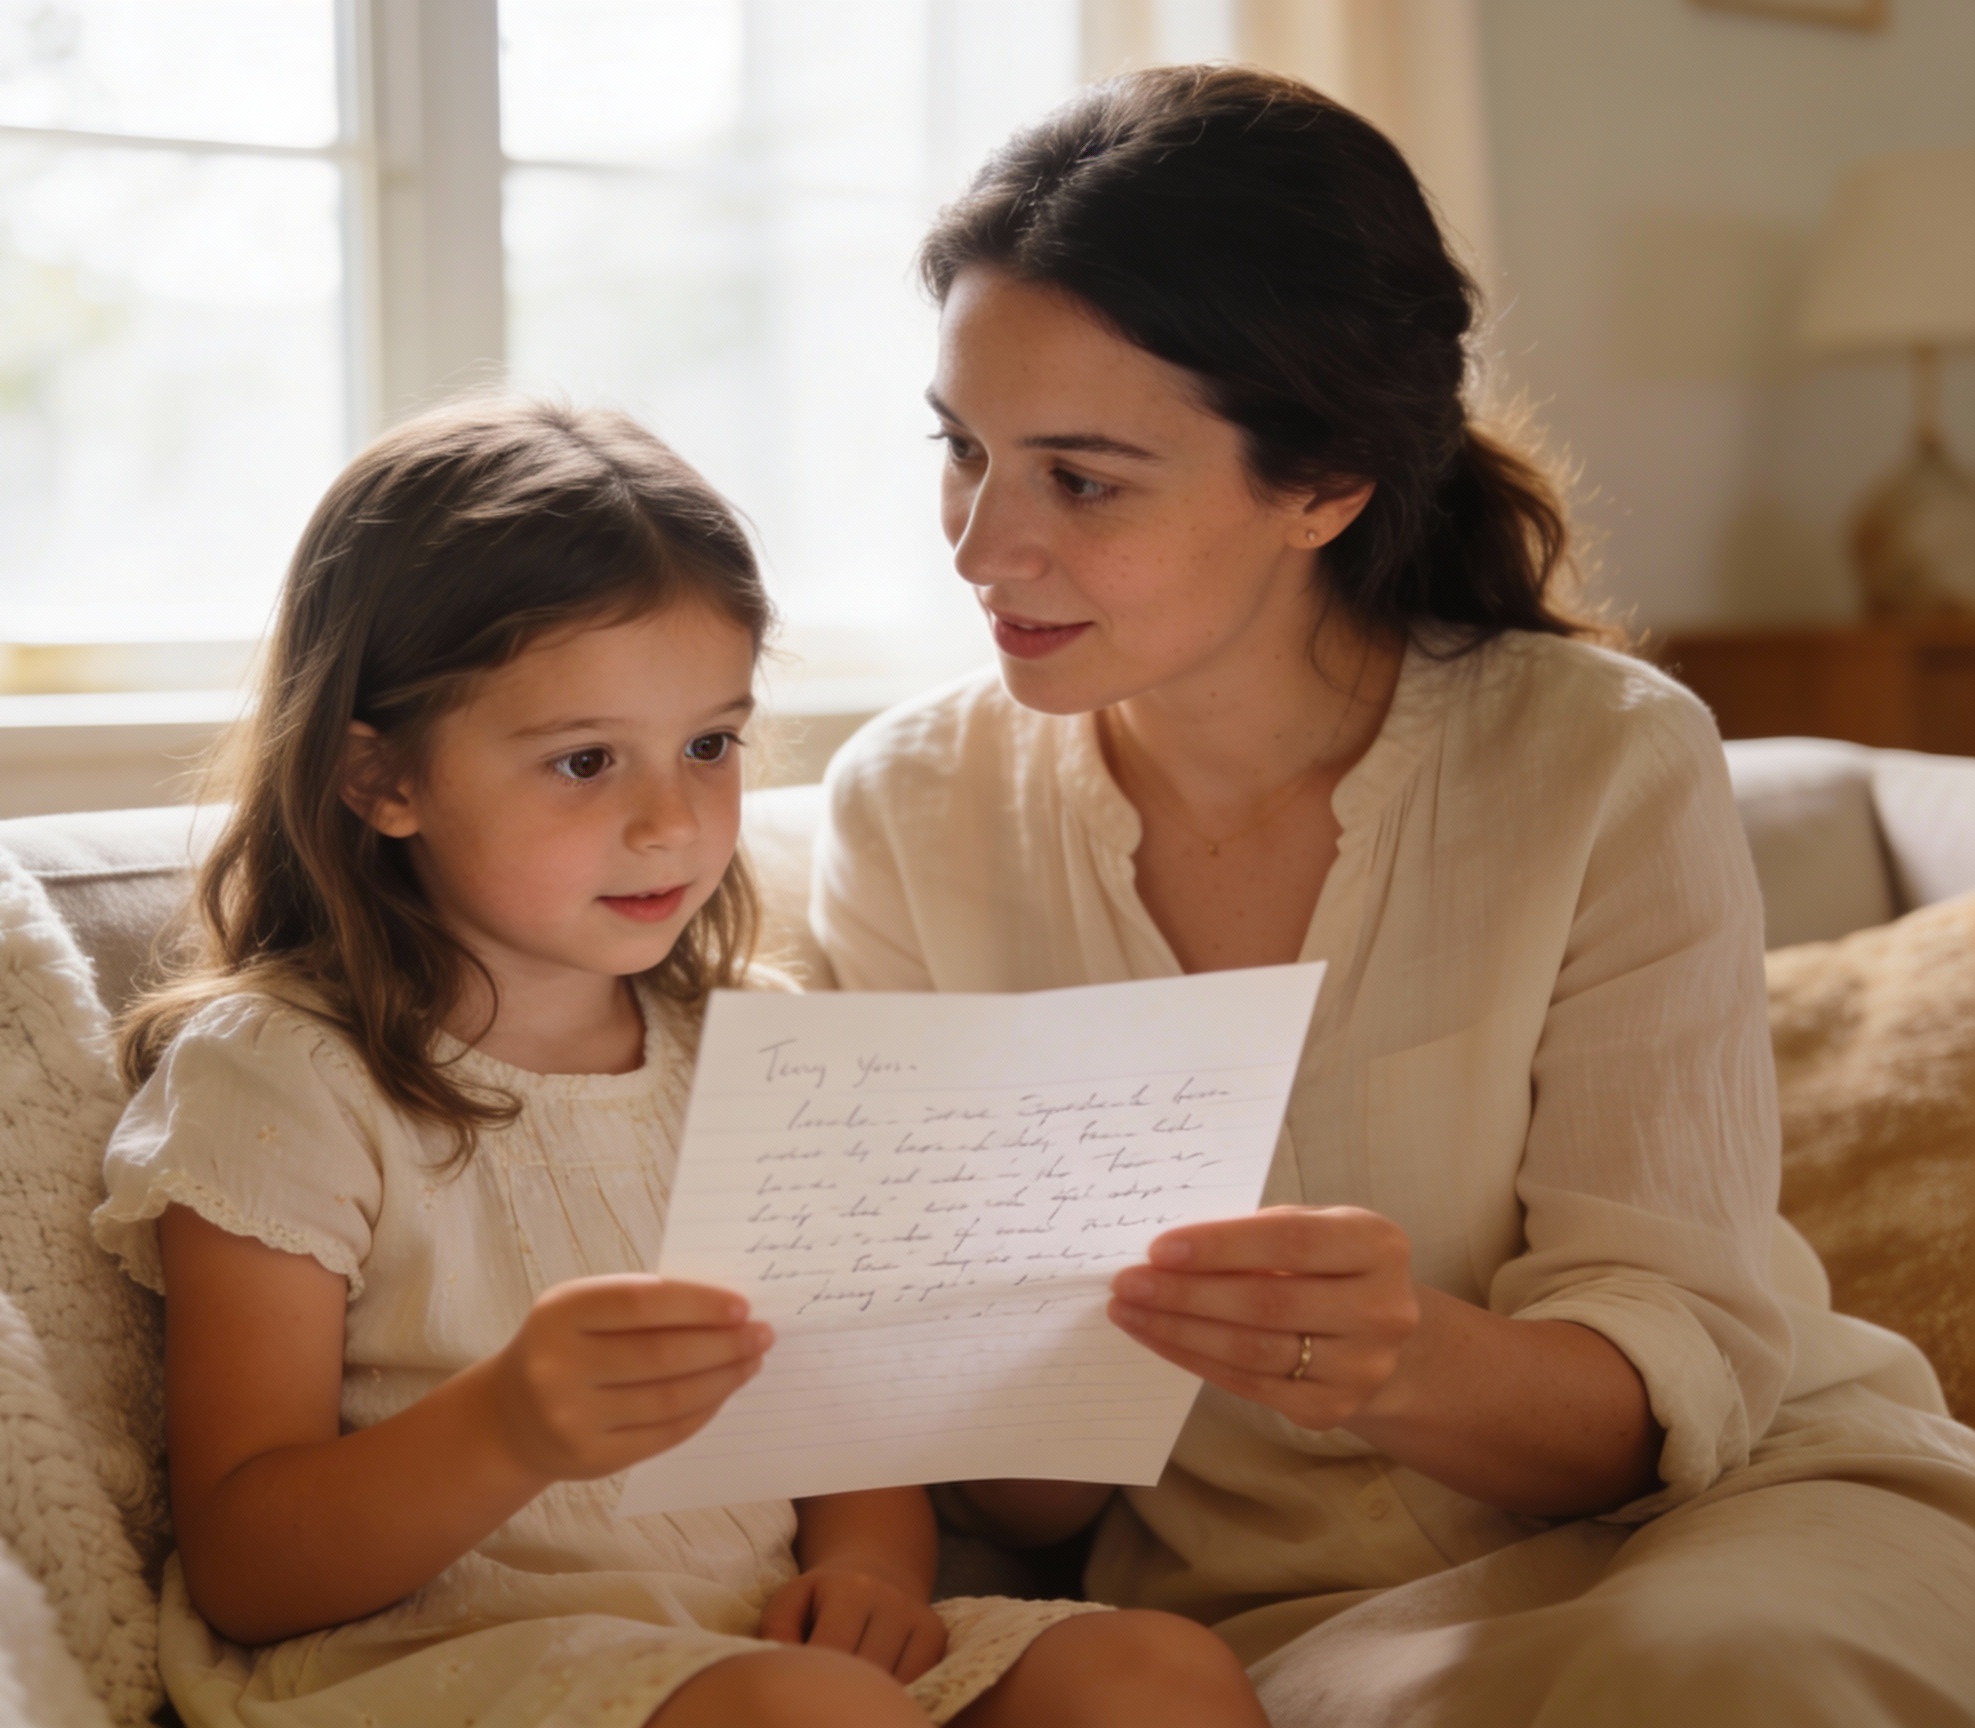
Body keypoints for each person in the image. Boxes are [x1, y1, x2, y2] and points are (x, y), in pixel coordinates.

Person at [812, 65, 1975, 1726]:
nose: (983, 548)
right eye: (962, 451)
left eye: (1082, 479)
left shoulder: (1604, 761)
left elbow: (1672, 1373)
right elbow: (1018, 1496)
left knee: (1712, 1676)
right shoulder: (911, 816)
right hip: (1268, 1619)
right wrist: (1043, 1375)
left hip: (1733, 1523)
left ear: (1324, 484)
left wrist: (1398, 1358)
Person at [91, 397, 1266, 1728]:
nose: (670, 821)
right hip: (443, 1667)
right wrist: (510, 1426)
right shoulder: (285, 1079)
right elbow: (248, 1565)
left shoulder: (757, 1047)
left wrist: (871, 1563)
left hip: (749, 1649)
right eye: (585, 760)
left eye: (709, 745)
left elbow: (838, 1412)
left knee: (1156, 1673)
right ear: (381, 781)